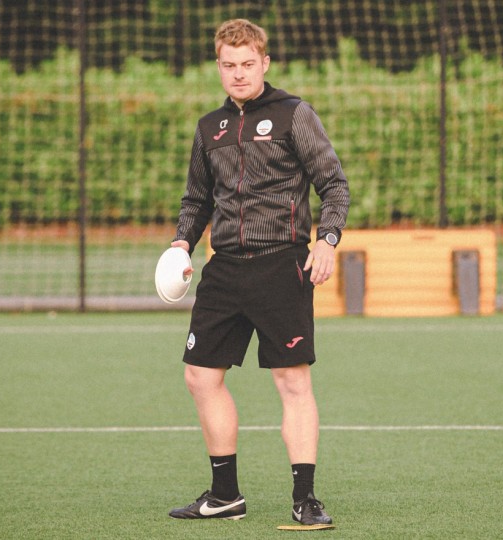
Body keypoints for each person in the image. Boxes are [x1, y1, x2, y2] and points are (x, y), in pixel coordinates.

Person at [166, 18, 349, 527]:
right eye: (229, 65)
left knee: (292, 381)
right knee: (200, 377)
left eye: (248, 64)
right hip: (223, 269)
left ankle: (305, 499)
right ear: (218, 66)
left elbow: (333, 185)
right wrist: (182, 241)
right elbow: (197, 199)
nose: (239, 74)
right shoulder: (210, 128)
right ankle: (225, 495)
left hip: (281, 265)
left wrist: (328, 240)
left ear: (265, 63)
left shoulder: (294, 115)